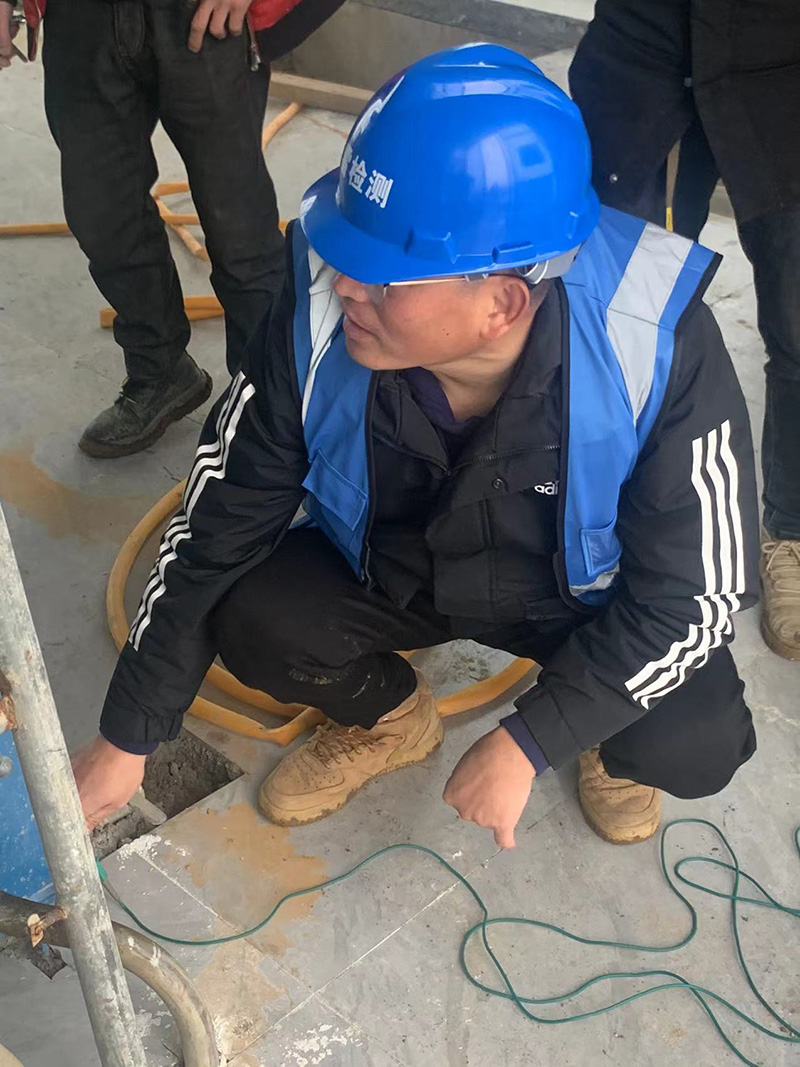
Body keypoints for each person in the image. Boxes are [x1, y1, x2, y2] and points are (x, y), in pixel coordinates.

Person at [73, 44, 760, 851]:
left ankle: (605, 740)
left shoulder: (652, 346)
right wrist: (127, 738)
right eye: (348, 252)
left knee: (692, 735)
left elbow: (697, 596)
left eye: (385, 276)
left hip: (573, 599)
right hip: (398, 566)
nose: (344, 285)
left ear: (502, 304)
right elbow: (215, 528)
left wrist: (533, 738)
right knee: (252, 616)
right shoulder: (320, 315)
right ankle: (391, 716)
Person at [1, 0, 338, 458]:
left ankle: (266, 409)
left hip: (203, 17)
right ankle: (160, 371)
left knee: (239, 231)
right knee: (102, 212)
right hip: (81, 17)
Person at [569, 0, 800, 662]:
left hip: (785, 64)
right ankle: (599, 519)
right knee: (611, 317)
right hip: (645, 55)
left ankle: (792, 528)